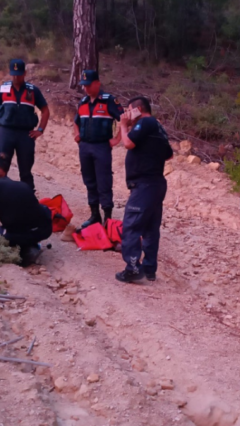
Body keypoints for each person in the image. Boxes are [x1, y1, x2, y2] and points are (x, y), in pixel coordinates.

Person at [115, 96, 173, 283]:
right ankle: (149, 269)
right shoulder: (158, 128)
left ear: (139, 109)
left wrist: (124, 126)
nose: (127, 114)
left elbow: (128, 143)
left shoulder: (146, 122)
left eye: (129, 110)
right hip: (156, 184)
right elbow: (168, 155)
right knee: (150, 228)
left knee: (132, 226)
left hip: (145, 186)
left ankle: (132, 268)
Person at [0, 59, 49, 191]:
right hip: (4, 131)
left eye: (19, 74)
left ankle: (28, 200)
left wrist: (40, 130)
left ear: (25, 73)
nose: (16, 77)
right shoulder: (3, 89)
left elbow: (45, 111)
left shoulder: (33, 91)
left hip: (25, 134)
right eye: (13, 74)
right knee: (0, 166)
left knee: (25, 170)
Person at [73, 69, 124, 229]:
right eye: (83, 85)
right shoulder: (83, 102)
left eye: (88, 85)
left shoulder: (109, 100)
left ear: (97, 84)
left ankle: (107, 218)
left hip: (102, 147)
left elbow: (123, 119)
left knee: (104, 181)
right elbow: (77, 121)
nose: (85, 88)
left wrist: (117, 139)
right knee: (89, 181)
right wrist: (77, 136)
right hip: (85, 147)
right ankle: (94, 214)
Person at [0, 173, 53, 266]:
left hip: (17, 235)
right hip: (45, 231)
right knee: (22, 231)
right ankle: (32, 246)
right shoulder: (24, 186)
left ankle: (25, 252)